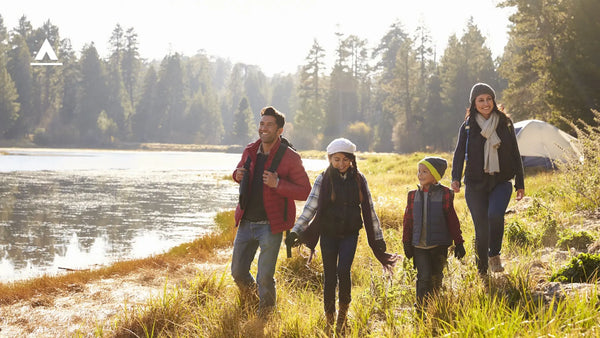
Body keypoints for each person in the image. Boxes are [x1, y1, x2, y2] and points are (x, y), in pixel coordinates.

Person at [286, 138, 398, 335]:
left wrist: (378, 237)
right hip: (328, 234)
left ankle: (343, 316)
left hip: (349, 234)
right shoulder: (323, 178)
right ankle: (330, 318)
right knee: (329, 276)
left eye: (345, 160)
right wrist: (296, 230)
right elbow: (310, 207)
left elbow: (369, 210)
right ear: (330, 159)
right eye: (336, 159)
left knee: (343, 271)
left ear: (352, 160)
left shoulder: (359, 179)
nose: (341, 164)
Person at [231, 106, 311, 317]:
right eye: (262, 124)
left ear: (280, 130)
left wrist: (278, 184)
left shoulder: (291, 157)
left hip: (271, 225)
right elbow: (239, 172)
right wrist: (236, 175)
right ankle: (251, 300)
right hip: (246, 221)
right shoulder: (250, 150)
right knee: (238, 272)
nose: (263, 128)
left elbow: (305, 191)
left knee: (264, 277)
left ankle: (265, 316)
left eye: (269, 125)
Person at [451, 83, 525, 275]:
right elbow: (459, 153)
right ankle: (482, 271)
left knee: (495, 215)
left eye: (489, 99)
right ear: (474, 103)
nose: (485, 103)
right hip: (475, 183)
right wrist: (455, 177)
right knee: (481, 229)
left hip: (501, 181)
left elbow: (515, 153)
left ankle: (494, 255)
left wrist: (520, 183)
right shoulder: (468, 126)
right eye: (481, 100)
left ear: (494, 101)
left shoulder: (505, 123)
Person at [402, 157, 465, 310]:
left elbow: (452, 220)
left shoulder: (445, 194)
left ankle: (434, 305)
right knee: (423, 277)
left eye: (425, 171)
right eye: (419, 171)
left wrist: (459, 242)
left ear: (436, 175)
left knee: (436, 276)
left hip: (439, 245)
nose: (420, 175)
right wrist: (406, 242)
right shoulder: (412, 195)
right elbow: (408, 220)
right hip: (419, 246)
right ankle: (421, 307)